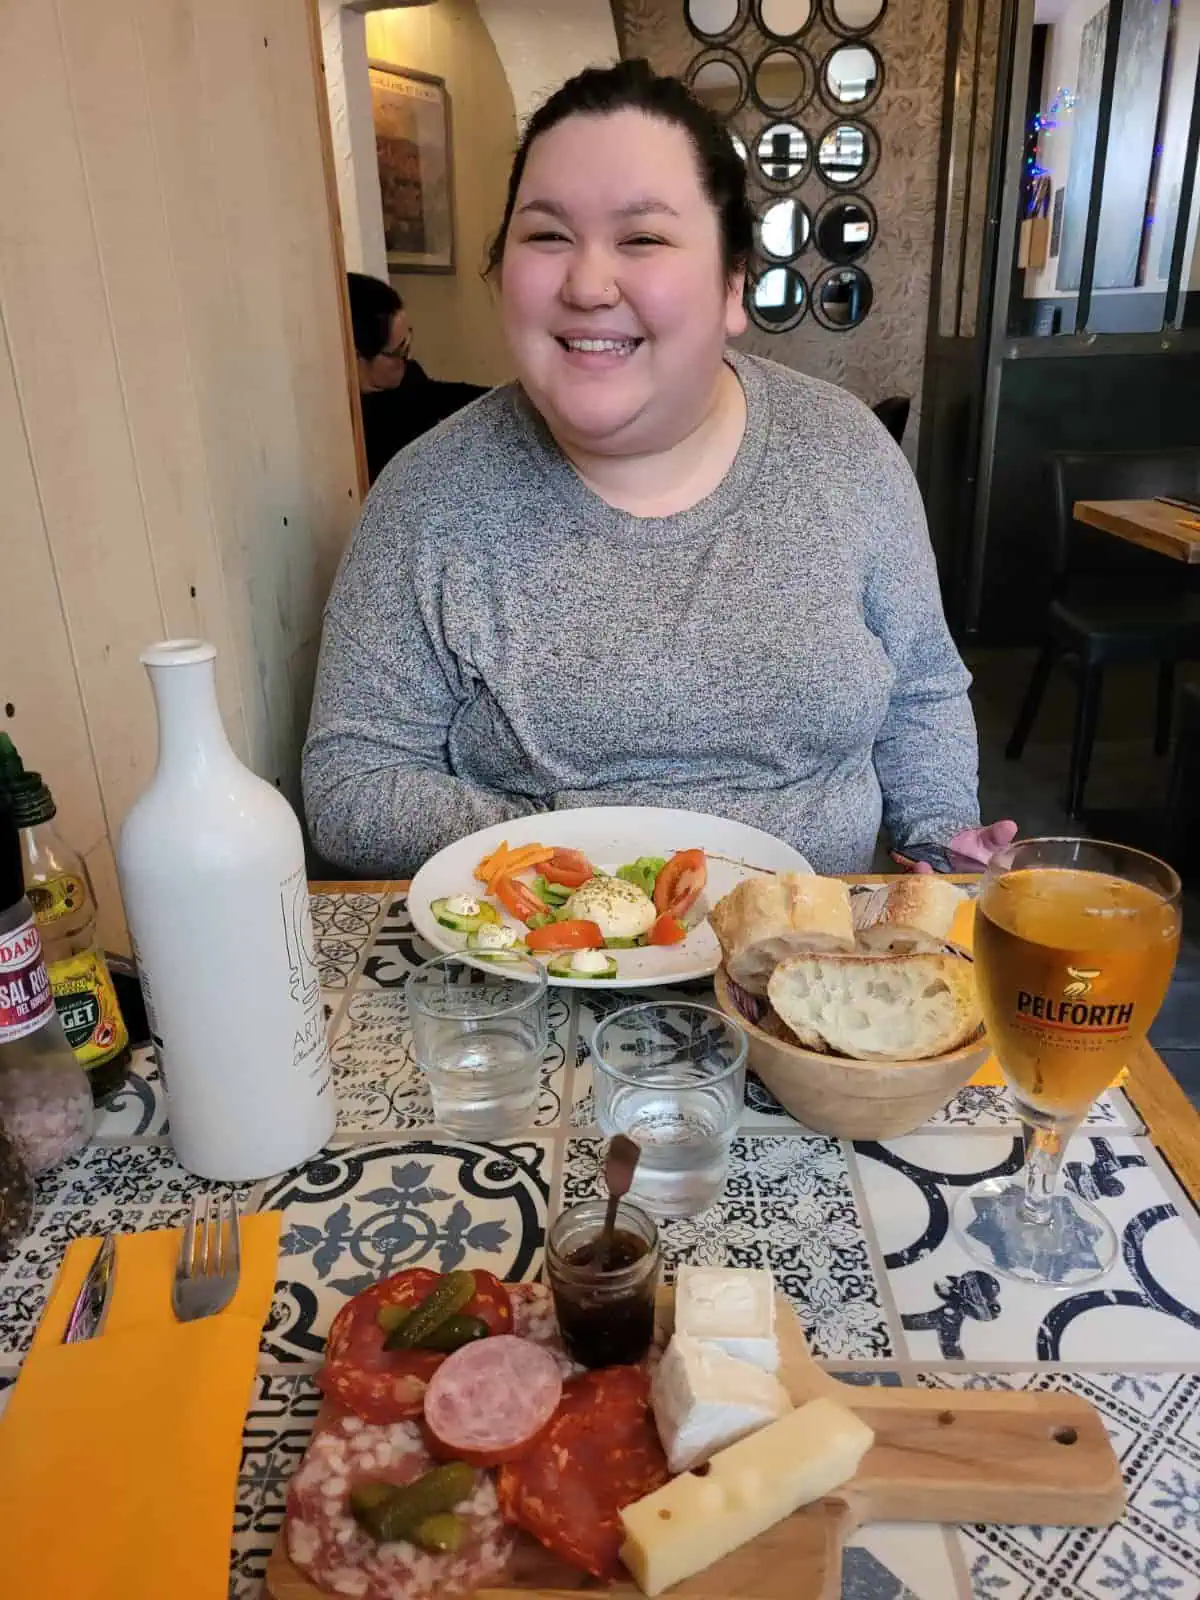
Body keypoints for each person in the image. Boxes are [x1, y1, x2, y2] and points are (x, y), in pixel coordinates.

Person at [305, 62, 1012, 878]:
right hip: (536, 973)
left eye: (642, 238)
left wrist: (937, 838)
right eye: (547, 235)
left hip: (808, 967)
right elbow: (350, 784)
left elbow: (920, 692)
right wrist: (588, 859)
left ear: (732, 285)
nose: (587, 283)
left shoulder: (846, 454)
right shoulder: (428, 496)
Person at [348, 273, 488, 483]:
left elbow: (440, 396)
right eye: (398, 352)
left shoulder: (405, 379)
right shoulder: (364, 436)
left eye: (408, 342)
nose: (407, 357)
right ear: (356, 357)